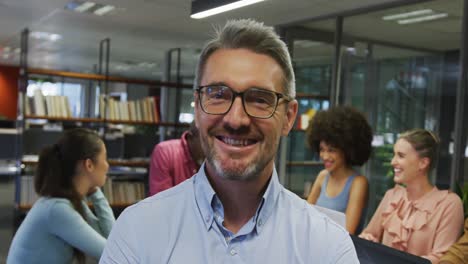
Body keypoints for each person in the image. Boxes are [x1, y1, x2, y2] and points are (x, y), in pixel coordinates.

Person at [100, 19, 358, 263]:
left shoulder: (328, 246)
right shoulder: (137, 230)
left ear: (289, 118)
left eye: (259, 99)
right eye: (218, 95)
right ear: (198, 108)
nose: (236, 119)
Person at [7, 128, 115, 264]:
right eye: (105, 158)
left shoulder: (71, 203)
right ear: (89, 165)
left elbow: (113, 240)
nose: (107, 165)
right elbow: (113, 255)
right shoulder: (58, 210)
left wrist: (95, 192)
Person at [359, 129, 464, 263]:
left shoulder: (449, 204)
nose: (393, 162)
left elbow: (442, 259)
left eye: (401, 156)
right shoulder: (392, 196)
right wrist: (367, 239)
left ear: (423, 163)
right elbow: (367, 236)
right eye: (394, 155)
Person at [306, 106, 372, 235]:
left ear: (346, 150)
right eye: (322, 150)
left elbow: (348, 231)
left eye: (331, 150)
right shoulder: (322, 176)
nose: (325, 156)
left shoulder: (358, 183)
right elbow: (306, 216)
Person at [149, 123, 204, 196]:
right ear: (190, 137)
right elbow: (161, 199)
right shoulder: (165, 151)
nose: (211, 148)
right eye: (205, 141)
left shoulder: (212, 158)